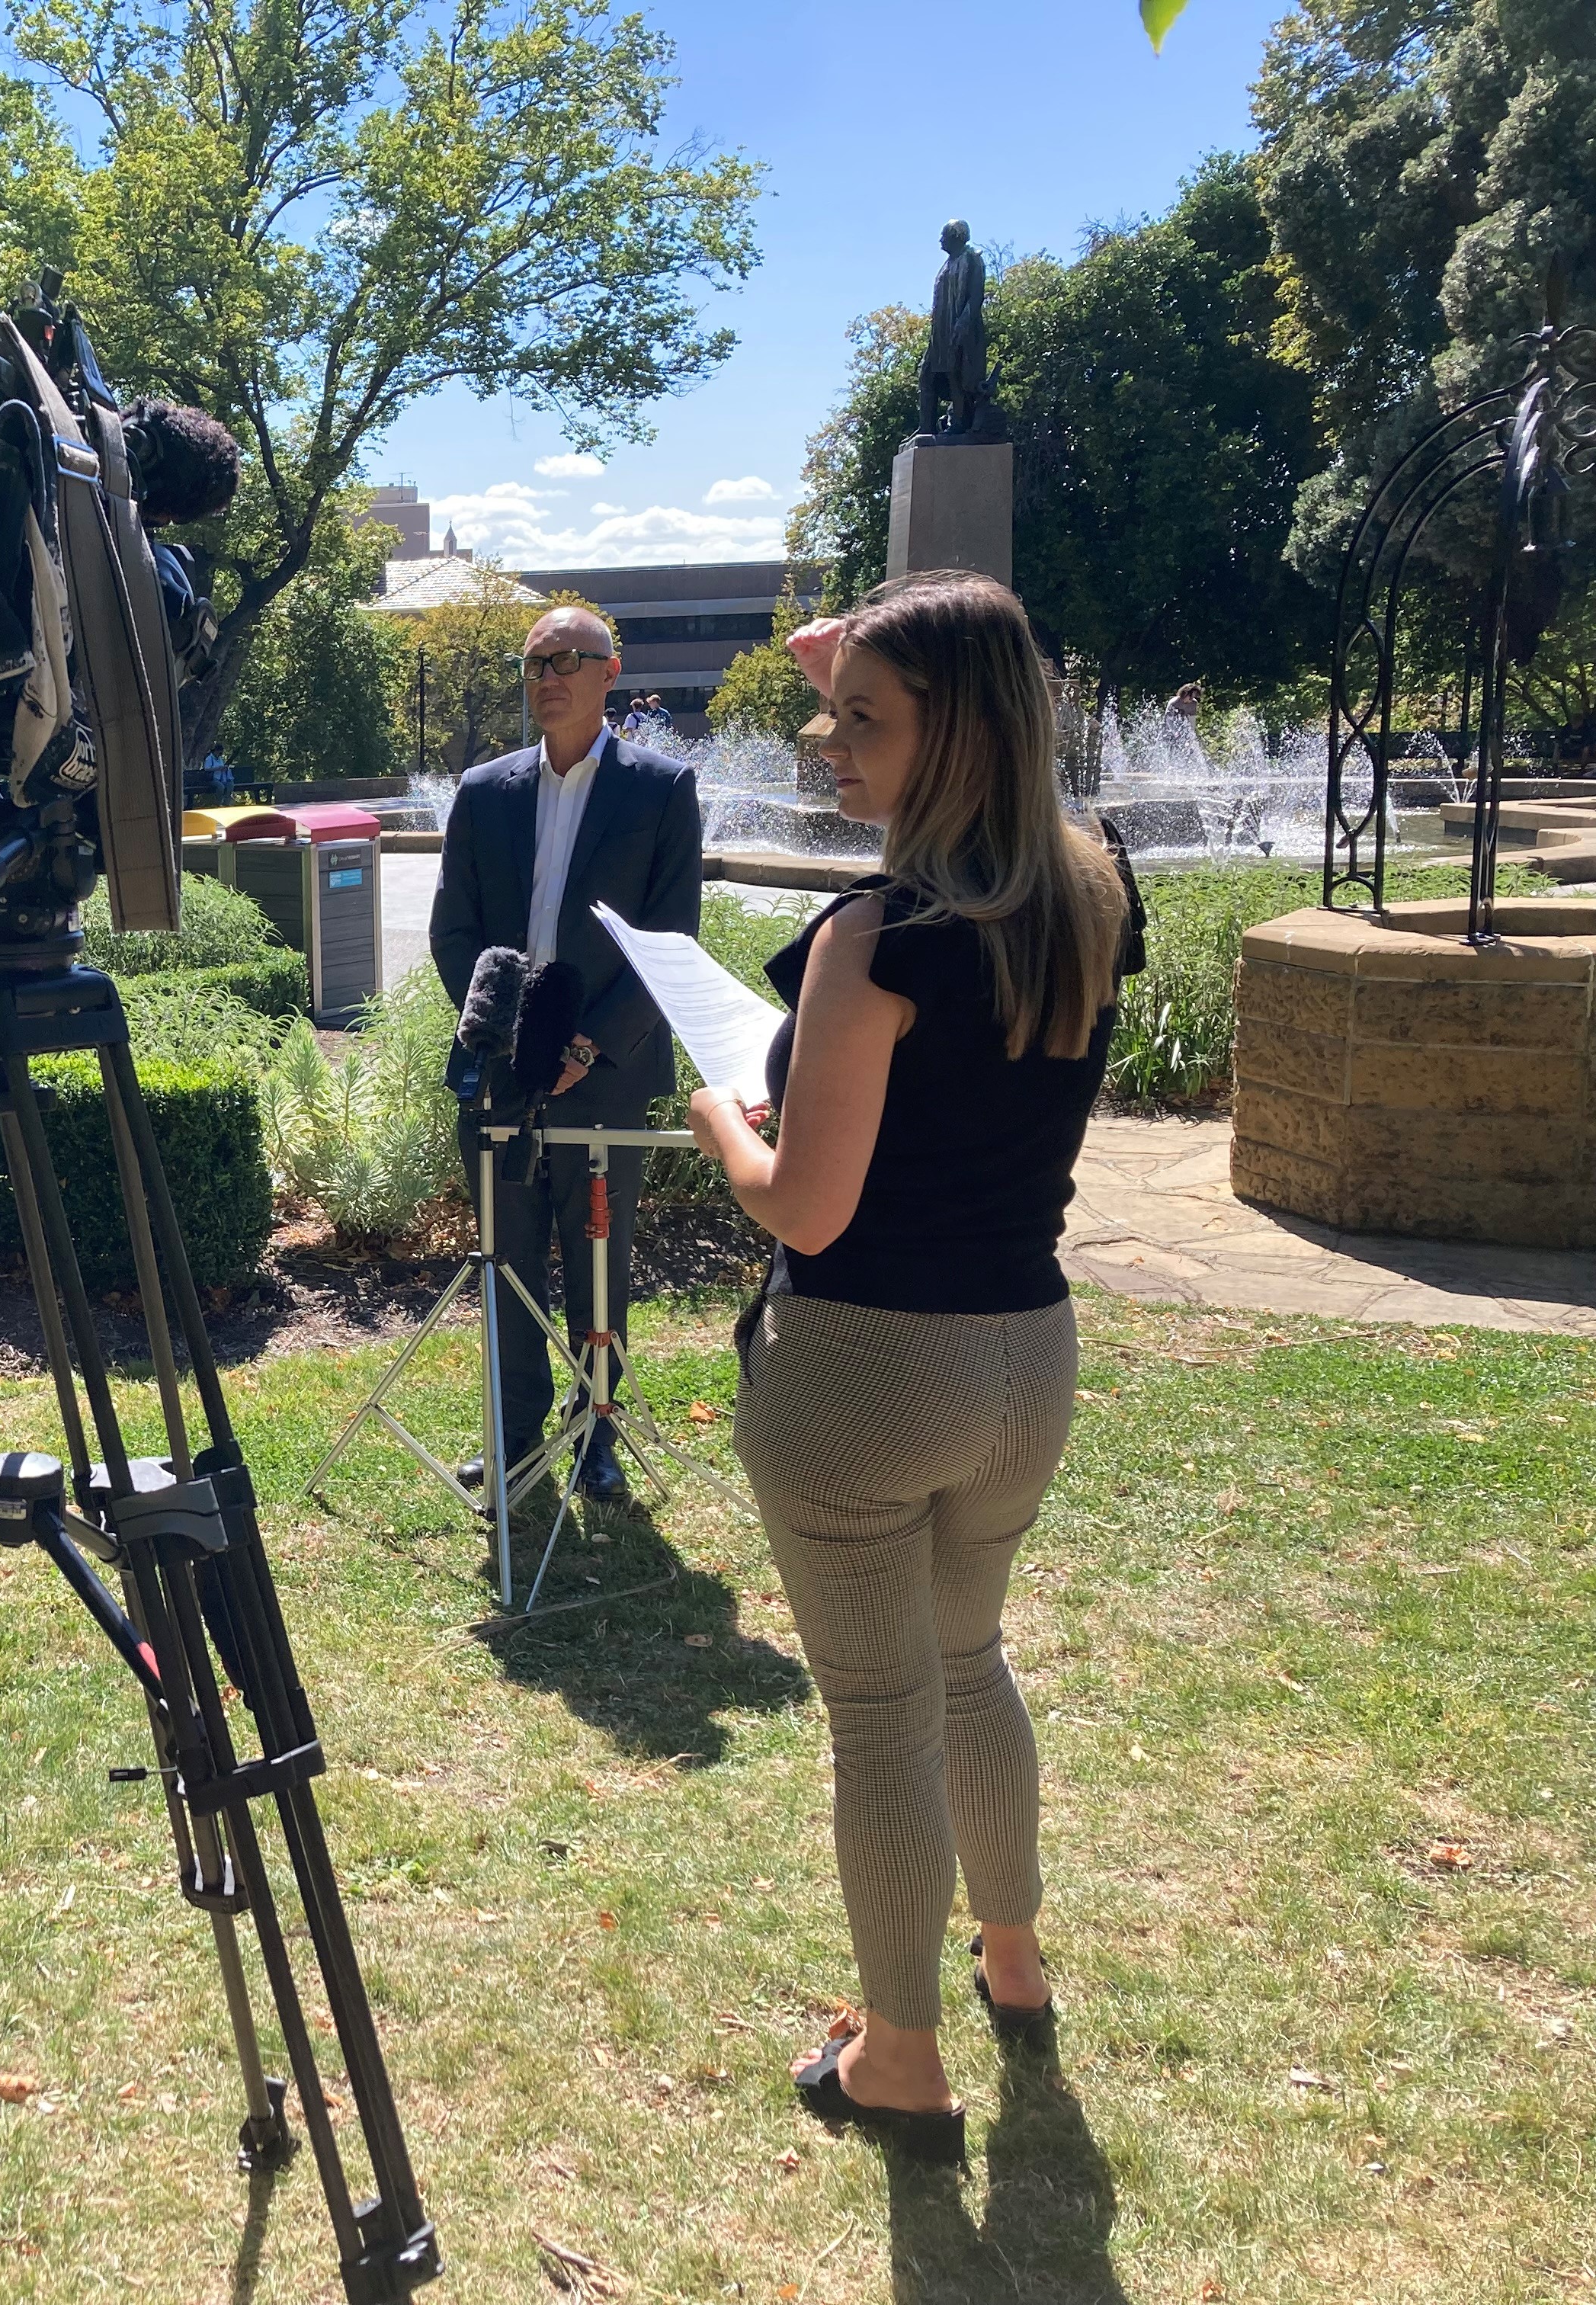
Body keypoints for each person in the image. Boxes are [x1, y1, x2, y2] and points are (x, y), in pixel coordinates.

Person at [683, 570, 1128, 2166]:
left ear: (962, 733)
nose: (825, 741)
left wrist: (722, 1120)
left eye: (864, 719)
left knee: (881, 1719)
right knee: (973, 1664)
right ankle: (1012, 1961)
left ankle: (905, 2061)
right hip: (1026, 1357)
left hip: (864, 1370)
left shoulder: (870, 941)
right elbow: (948, 721)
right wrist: (868, 657)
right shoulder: (1093, 886)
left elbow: (804, 1201)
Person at [428, 603, 704, 1502]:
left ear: (609, 671)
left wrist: (588, 1044)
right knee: (506, 1263)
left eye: (568, 659)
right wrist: (509, 1033)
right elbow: (453, 931)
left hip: (605, 1075)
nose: (548, 678)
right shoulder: (483, 792)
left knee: (597, 1263)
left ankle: (595, 1437)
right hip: (504, 1068)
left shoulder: (660, 791)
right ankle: (512, 1439)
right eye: (535, 663)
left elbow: (671, 936)